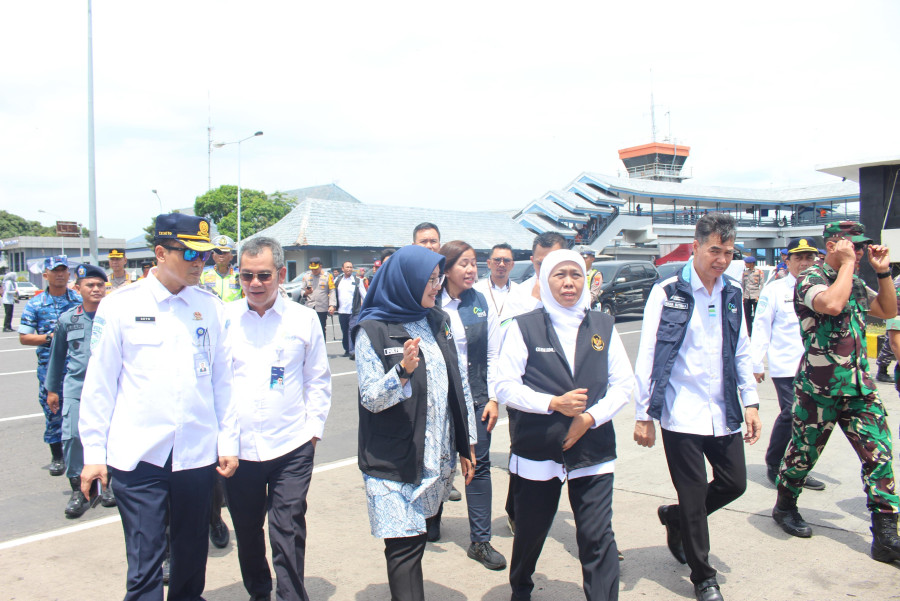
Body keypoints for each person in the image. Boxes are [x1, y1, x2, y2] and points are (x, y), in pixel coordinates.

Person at [79, 213, 239, 600]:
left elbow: (223, 382)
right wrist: (94, 453)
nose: (200, 262)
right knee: (145, 562)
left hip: (196, 455)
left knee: (191, 556)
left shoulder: (211, 307)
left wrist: (228, 441)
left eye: (204, 255)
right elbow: (99, 384)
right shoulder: (120, 306)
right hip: (140, 456)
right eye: (190, 254)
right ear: (161, 253)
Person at [634, 213, 761, 601]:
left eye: (729, 252)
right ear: (696, 246)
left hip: (723, 410)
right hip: (681, 412)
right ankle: (704, 577)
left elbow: (741, 350)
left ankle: (675, 518)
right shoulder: (667, 291)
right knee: (693, 498)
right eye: (715, 250)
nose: (721, 260)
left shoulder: (732, 292)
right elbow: (649, 354)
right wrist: (643, 414)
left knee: (734, 483)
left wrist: (751, 402)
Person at [496, 249, 633, 601]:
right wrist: (552, 404)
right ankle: (521, 588)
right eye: (560, 275)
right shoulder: (525, 326)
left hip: (593, 450)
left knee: (597, 535)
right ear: (545, 280)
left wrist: (589, 418)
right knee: (531, 532)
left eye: (575, 274)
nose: (569, 282)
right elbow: (505, 386)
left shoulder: (602, 325)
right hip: (538, 448)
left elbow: (623, 384)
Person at [772, 221, 900, 564]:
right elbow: (830, 304)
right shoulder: (810, 278)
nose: (858, 251)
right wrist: (846, 266)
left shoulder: (853, 281)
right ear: (832, 245)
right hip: (820, 389)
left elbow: (888, 311)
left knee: (880, 457)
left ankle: (886, 535)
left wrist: (882, 272)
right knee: (803, 455)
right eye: (852, 245)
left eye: (861, 246)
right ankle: (785, 506)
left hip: (859, 388)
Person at [353, 244, 475, 601]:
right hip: (393, 461)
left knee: (415, 541)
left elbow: (458, 382)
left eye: (438, 279)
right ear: (405, 281)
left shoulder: (437, 320)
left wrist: (466, 442)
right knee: (403, 549)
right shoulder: (372, 330)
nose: (437, 287)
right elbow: (371, 399)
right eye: (430, 280)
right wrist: (402, 372)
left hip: (433, 458)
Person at [225, 236, 332, 601]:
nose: (255, 283)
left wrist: (313, 432)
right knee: (247, 530)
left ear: (281, 274)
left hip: (291, 446)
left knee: (287, 529)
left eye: (264, 275)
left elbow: (318, 379)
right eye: (247, 275)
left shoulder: (303, 319)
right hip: (238, 450)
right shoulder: (225, 319)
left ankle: (291, 595)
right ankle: (259, 591)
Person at [434, 240, 506, 569]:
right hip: (439, 399)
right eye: (463, 263)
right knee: (438, 463)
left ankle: (480, 541)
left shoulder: (479, 301)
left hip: (476, 398)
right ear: (446, 269)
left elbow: (493, 353)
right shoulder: (430, 302)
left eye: (474, 263)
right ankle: (431, 517)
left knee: (479, 465)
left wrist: (493, 397)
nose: (471, 269)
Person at [502, 232, 566, 535]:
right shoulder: (520, 294)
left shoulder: (576, 291)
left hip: (566, 389)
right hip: (527, 390)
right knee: (523, 453)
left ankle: (596, 535)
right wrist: (535, 302)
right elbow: (505, 335)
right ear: (532, 261)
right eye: (540, 263)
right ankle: (517, 511)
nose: (547, 269)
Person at [749, 238, 826, 490]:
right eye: (798, 258)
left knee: (812, 421)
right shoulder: (775, 290)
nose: (804, 263)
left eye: (809, 257)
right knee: (792, 413)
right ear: (787, 260)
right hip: (787, 366)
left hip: (817, 367)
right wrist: (756, 363)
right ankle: (774, 464)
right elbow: (761, 326)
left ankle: (799, 468)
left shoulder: (824, 288)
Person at [44, 264, 115, 518]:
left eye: (100, 285)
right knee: (73, 436)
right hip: (77, 388)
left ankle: (107, 484)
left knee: (110, 436)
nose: (96, 289)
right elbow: (57, 356)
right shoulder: (68, 319)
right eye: (90, 285)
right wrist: (52, 389)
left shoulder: (114, 317)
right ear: (78, 288)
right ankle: (77, 488)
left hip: (109, 388)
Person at [19, 255, 82, 476]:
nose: (60, 275)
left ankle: (82, 454)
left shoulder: (78, 300)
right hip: (50, 367)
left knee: (82, 411)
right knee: (53, 411)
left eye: (63, 270)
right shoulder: (35, 304)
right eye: (55, 271)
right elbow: (24, 337)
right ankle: (57, 456)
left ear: (69, 274)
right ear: (46, 275)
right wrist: (51, 338)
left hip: (78, 366)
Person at [473, 243, 520, 322]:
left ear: (512, 265)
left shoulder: (521, 292)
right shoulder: (476, 291)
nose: (501, 264)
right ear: (489, 263)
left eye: (506, 260)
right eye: (497, 260)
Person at [334, 260, 367, 360]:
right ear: (342, 269)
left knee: (352, 330)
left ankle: (353, 351)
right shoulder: (338, 281)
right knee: (344, 331)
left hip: (354, 311)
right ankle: (347, 349)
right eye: (347, 267)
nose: (349, 269)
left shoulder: (357, 281)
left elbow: (364, 295)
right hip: (342, 311)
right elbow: (333, 293)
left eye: (350, 267)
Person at [298, 256, 336, 336]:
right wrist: (306, 293)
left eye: (315, 269)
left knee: (321, 329)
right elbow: (302, 290)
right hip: (310, 307)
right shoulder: (307, 276)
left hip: (322, 307)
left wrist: (332, 305)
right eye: (312, 269)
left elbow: (332, 291)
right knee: (310, 330)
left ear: (320, 266)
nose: (314, 271)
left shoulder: (328, 276)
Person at [201, 234, 243, 302]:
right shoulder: (203, 273)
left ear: (231, 256)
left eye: (225, 252)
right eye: (218, 252)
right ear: (213, 255)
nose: (221, 255)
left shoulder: (240, 275)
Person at [741, 256, 764, 334]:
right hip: (747, 296)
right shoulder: (745, 272)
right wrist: (743, 296)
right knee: (747, 315)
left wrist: (759, 296)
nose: (745, 264)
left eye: (747, 263)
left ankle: (758, 330)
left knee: (757, 314)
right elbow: (743, 285)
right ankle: (749, 331)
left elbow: (761, 285)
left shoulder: (759, 272)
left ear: (752, 263)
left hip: (755, 295)